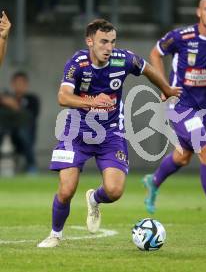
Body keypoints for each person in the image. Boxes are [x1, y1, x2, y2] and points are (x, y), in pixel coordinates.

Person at [37, 19, 181, 248]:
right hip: (76, 132)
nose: (109, 47)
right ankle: (55, 234)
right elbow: (63, 97)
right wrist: (92, 102)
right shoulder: (77, 63)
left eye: (112, 42)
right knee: (66, 190)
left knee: (114, 191)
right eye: (104, 42)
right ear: (90, 41)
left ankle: (94, 199)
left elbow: (147, 69)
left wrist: (167, 90)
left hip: (111, 133)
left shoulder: (123, 59)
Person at [142, 0, 206, 228]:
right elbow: (155, 52)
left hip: (203, 107)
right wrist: (164, 86)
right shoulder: (181, 36)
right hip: (180, 105)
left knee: (183, 157)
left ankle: (153, 182)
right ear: (199, 12)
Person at [0, 72, 40, 173]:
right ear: (12, 84)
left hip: (26, 134)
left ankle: (31, 166)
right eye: (17, 83)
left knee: (23, 134)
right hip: (8, 131)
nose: (19, 86)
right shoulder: (6, 98)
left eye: (22, 83)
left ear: (26, 84)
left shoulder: (32, 99)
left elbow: (31, 117)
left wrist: (15, 105)